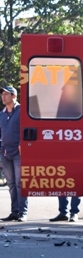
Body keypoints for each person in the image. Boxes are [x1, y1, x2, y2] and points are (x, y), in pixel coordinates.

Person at [0, 86, 28, 222]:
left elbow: (27, 129)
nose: (3, 97)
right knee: (11, 184)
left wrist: (22, 145)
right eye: (2, 94)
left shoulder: (22, 111)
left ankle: (23, 213)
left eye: (6, 94)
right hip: (5, 153)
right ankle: (14, 212)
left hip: (18, 153)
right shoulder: (2, 114)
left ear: (14, 96)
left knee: (20, 183)